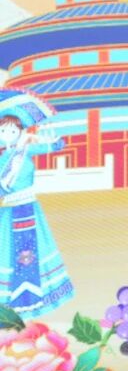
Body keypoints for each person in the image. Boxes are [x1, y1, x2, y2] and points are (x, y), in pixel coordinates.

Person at [0, 88, 75, 318]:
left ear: (20, 131)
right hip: (9, 211)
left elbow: (53, 146)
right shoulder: (2, 158)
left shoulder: (26, 150)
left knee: (32, 251)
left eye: (13, 130)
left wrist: (53, 142)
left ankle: (36, 296)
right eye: (3, 130)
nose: (8, 134)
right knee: (7, 251)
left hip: (29, 209)